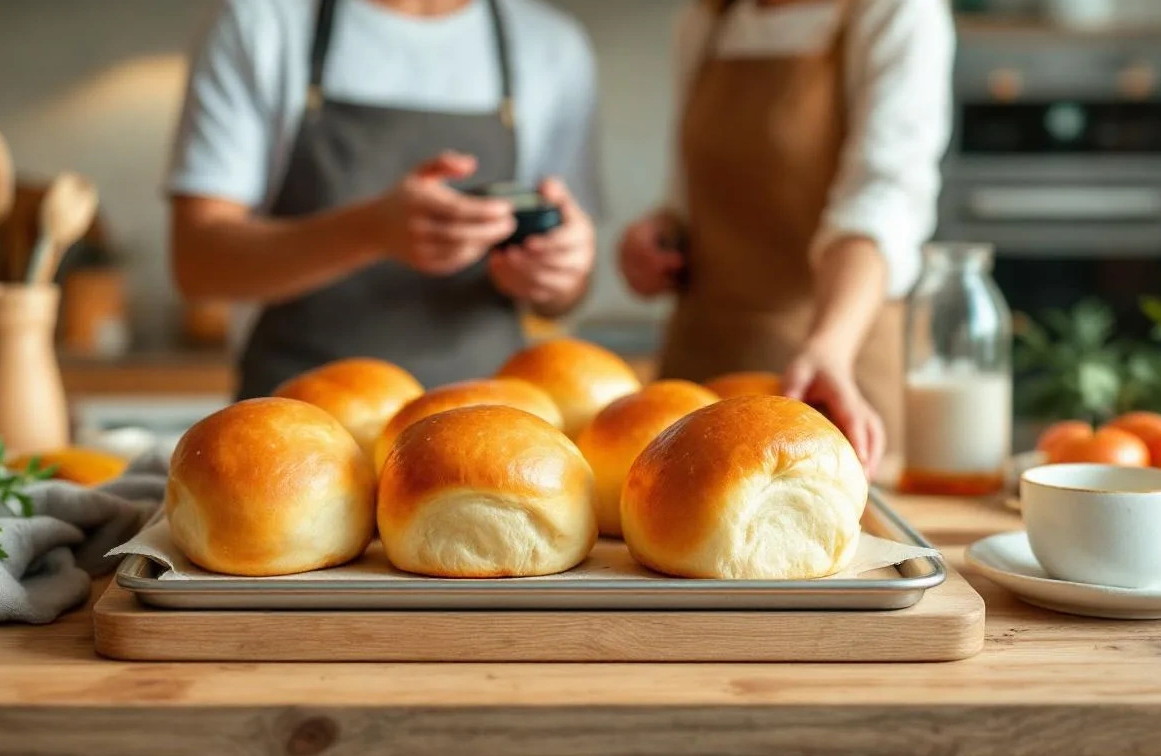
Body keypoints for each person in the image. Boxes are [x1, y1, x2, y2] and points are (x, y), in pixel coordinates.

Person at [167, 0, 600, 398]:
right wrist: (372, 230)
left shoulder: (552, 46)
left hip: (488, 422)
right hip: (298, 423)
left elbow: (568, 294)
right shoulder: (262, 23)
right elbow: (197, 263)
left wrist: (557, 274)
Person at [617, 0, 953, 476]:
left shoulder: (896, 11)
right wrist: (658, 235)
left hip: (834, 375)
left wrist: (829, 347)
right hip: (700, 368)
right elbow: (686, 197)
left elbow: (883, 204)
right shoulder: (708, 20)